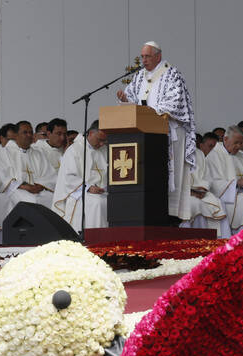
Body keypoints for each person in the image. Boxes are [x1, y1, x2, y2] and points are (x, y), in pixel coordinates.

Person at [117, 40, 195, 221]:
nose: (144, 60)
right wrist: (125, 98)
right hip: (146, 135)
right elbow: (134, 101)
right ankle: (151, 211)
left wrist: (153, 113)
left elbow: (176, 101)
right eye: (142, 57)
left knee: (171, 176)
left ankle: (171, 217)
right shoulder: (139, 76)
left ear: (158, 56)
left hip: (169, 133)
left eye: (147, 56)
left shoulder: (171, 74)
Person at [51, 120, 108, 232]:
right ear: (91, 133)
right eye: (100, 140)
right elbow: (69, 178)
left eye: (104, 141)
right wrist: (88, 187)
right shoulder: (74, 150)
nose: (102, 144)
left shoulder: (104, 150)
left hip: (102, 191)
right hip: (81, 192)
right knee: (98, 203)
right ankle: (95, 238)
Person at [0, 120, 57, 213]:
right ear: (16, 135)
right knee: (31, 201)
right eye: (25, 132)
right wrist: (25, 187)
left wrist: (40, 186)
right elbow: (2, 177)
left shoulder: (38, 154)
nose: (29, 135)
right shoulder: (5, 153)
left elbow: (49, 175)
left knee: (52, 199)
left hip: (38, 189)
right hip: (16, 190)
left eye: (31, 132)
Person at [181, 132, 230, 237]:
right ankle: (193, 240)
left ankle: (221, 240)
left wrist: (202, 189)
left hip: (200, 192)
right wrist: (190, 191)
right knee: (194, 204)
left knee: (219, 203)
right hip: (183, 194)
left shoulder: (198, 154)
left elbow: (205, 176)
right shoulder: (174, 154)